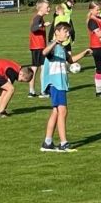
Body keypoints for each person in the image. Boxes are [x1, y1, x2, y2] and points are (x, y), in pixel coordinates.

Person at [40, 22, 90, 152]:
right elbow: (44, 52)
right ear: (57, 32)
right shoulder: (54, 46)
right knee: (63, 111)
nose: (68, 34)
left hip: (60, 83)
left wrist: (84, 53)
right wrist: (55, 42)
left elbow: (71, 60)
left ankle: (47, 143)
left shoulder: (61, 48)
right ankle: (63, 144)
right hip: (56, 83)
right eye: (65, 31)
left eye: (68, 32)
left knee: (56, 112)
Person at [27, 1, 49, 98]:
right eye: (47, 7)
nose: (49, 9)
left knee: (34, 68)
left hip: (36, 46)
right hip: (38, 46)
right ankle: (43, 91)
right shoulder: (38, 18)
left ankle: (31, 91)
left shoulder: (39, 17)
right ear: (41, 9)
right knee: (43, 69)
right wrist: (43, 25)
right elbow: (33, 28)